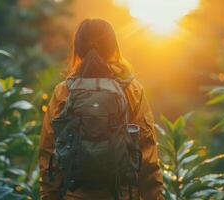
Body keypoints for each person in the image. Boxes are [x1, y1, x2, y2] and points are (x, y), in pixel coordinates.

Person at [39, 18, 163, 200]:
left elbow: (49, 152)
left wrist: (49, 196)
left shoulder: (63, 91)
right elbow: (146, 155)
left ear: (78, 48)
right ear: (113, 47)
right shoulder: (132, 89)